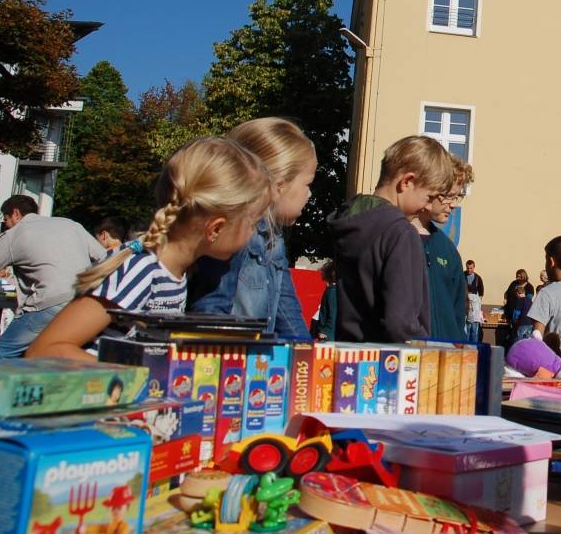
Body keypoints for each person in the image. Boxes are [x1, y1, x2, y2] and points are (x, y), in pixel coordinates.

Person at [27, 137, 271, 361]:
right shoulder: (140, 271)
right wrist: (136, 377)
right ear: (215, 228)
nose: (253, 233)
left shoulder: (176, 273)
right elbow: (45, 350)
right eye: (252, 222)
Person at [187, 118, 315, 339]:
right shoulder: (235, 235)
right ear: (279, 185)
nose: (309, 195)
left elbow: (288, 315)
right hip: (230, 364)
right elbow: (209, 313)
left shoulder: (274, 239)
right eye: (307, 184)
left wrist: (307, 356)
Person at [328, 135, 454, 343]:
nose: (427, 207)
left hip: (350, 357)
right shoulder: (401, 233)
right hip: (391, 364)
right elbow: (401, 322)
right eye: (429, 197)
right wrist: (426, 351)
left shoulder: (352, 221)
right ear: (407, 182)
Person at [0, 195, 108, 359]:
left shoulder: (13, 236)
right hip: (85, 300)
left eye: (6, 219)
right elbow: (104, 258)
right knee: (45, 355)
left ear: (16, 213)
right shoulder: (70, 224)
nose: (5, 225)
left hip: (49, 302)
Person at [413, 156, 472, 341]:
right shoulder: (395, 239)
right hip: (403, 357)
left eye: (457, 197)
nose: (453, 204)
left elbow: (458, 310)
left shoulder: (447, 249)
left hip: (445, 355)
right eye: (449, 196)